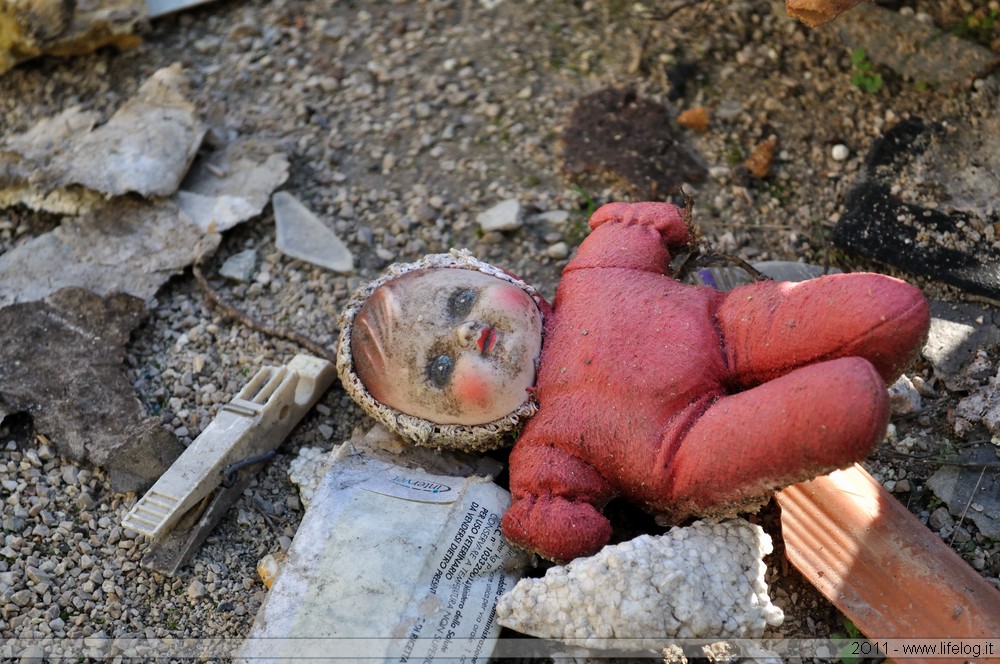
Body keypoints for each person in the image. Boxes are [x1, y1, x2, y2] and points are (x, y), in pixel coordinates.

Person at [337, 202, 930, 561]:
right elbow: (562, 514)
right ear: (450, 430)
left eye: (460, 300)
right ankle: (849, 398)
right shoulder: (546, 444)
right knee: (843, 404)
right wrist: (545, 516)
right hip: (683, 444)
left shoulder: (592, 278)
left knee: (885, 310)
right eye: (440, 369)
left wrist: (637, 223)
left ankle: (870, 350)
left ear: (499, 276)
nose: (465, 334)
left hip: (726, 326)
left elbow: (633, 232)